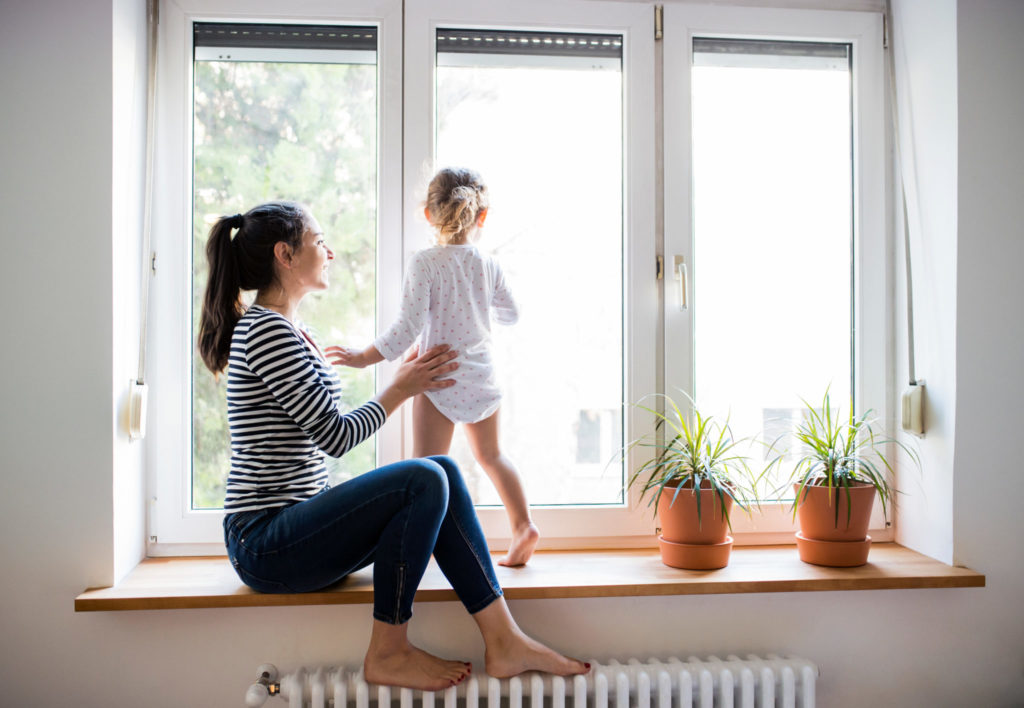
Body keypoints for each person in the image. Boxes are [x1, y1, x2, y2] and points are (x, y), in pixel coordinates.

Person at [197, 201, 588, 691]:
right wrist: (400, 387)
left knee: (440, 469)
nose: (330, 251)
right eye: (319, 241)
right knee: (423, 477)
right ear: (285, 255)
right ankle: (388, 650)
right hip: (264, 542)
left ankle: (504, 639)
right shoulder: (267, 332)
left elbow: (319, 427)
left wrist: (402, 381)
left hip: (295, 526)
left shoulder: (294, 331)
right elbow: (335, 435)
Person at [331, 168, 539, 567]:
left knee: (424, 471)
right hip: (482, 376)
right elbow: (511, 314)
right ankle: (523, 525)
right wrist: (477, 305)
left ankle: (420, 549)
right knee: (493, 456)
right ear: (482, 216)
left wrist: (361, 357)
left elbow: (406, 329)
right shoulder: (487, 264)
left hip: (436, 377)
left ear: (427, 214)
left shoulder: (424, 264)